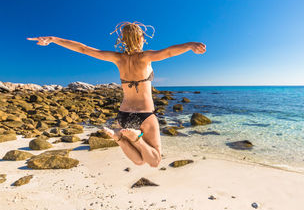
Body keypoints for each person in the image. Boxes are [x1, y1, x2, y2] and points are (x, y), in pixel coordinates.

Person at [27, 21, 206, 168]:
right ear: (141, 38)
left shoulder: (117, 58)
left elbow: (84, 49)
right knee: (154, 161)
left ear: (123, 40)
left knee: (138, 160)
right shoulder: (145, 57)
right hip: (144, 114)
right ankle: (135, 137)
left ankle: (119, 138)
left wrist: (53, 39)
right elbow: (168, 52)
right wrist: (189, 45)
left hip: (124, 115)